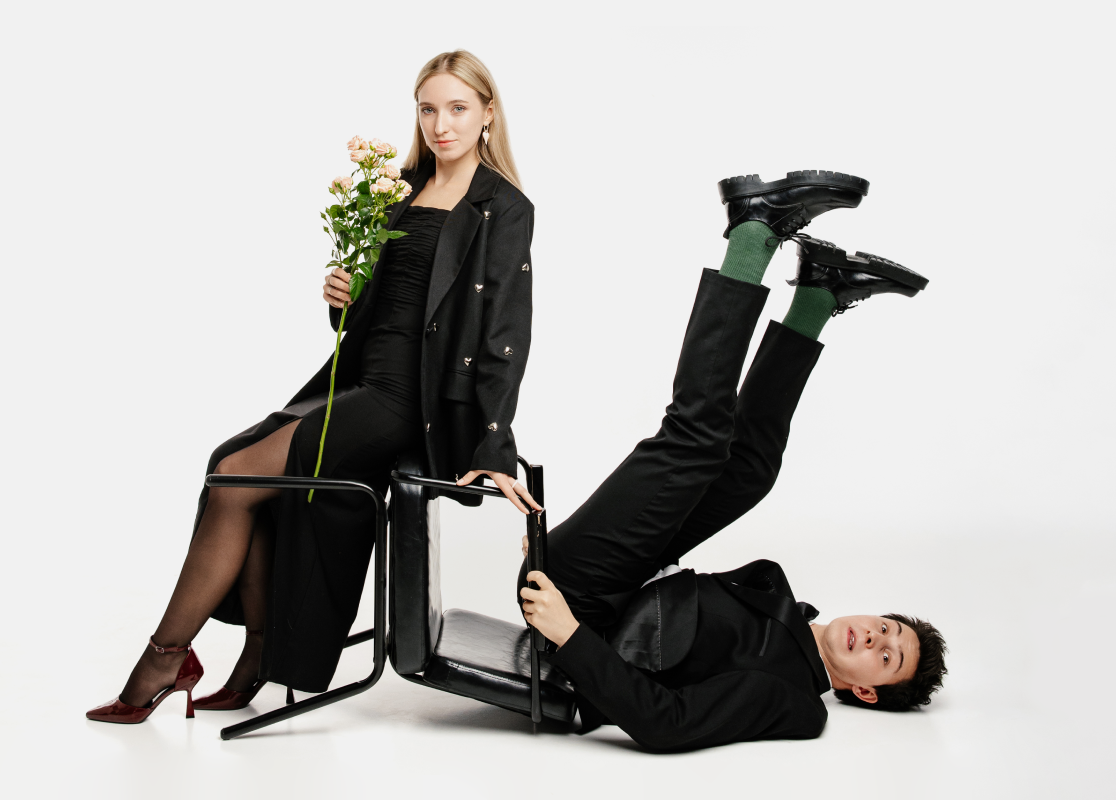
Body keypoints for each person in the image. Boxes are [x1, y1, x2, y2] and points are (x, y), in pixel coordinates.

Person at [87, 50, 541, 724]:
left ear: (487, 113)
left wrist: (494, 444)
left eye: (457, 108)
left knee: (238, 477)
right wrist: (343, 294)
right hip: (358, 378)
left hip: (409, 402)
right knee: (227, 463)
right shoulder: (398, 186)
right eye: (428, 109)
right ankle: (257, 657)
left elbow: (505, 333)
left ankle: (165, 658)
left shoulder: (502, 207)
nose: (441, 124)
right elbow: (373, 308)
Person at [517, 170, 948, 751]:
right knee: (750, 473)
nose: (875, 637)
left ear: (866, 692)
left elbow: (668, 723)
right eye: (887, 627)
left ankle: (752, 230)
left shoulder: (794, 700)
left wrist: (569, 634)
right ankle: (820, 293)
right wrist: (601, 534)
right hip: (608, 580)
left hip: (573, 614)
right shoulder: (785, 606)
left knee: (695, 441)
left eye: (887, 657)